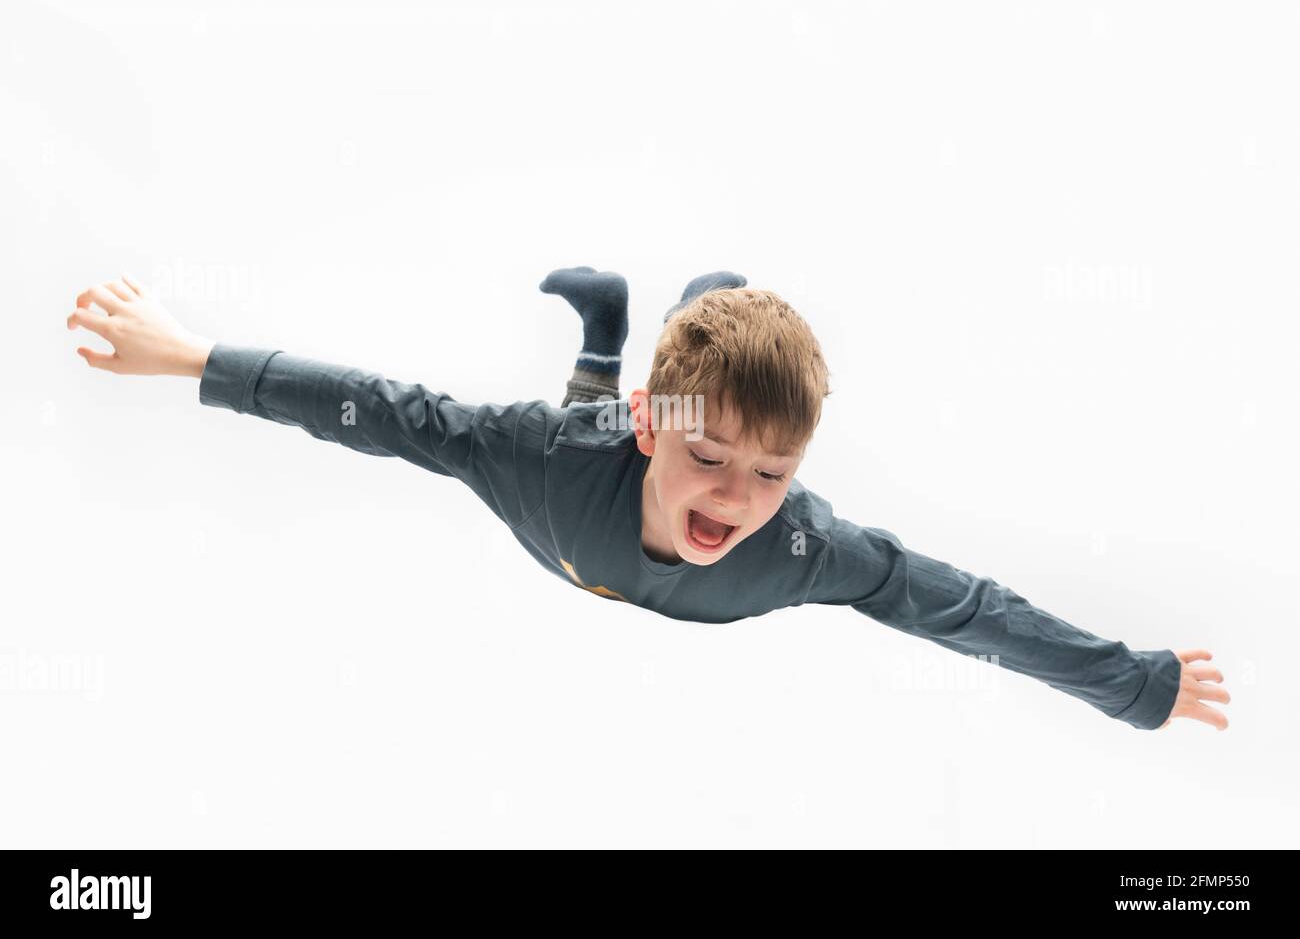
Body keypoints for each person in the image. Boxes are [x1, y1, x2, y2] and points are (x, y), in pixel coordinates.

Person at [66, 269, 1231, 731]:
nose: (738, 498)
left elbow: (961, 606)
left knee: (679, 410)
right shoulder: (542, 455)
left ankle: (676, 309)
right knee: (588, 418)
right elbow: (374, 405)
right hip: (576, 485)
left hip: (628, 443)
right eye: (715, 460)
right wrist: (188, 355)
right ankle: (629, 332)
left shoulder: (806, 545)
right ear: (662, 434)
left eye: (772, 474)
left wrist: (1133, 683)